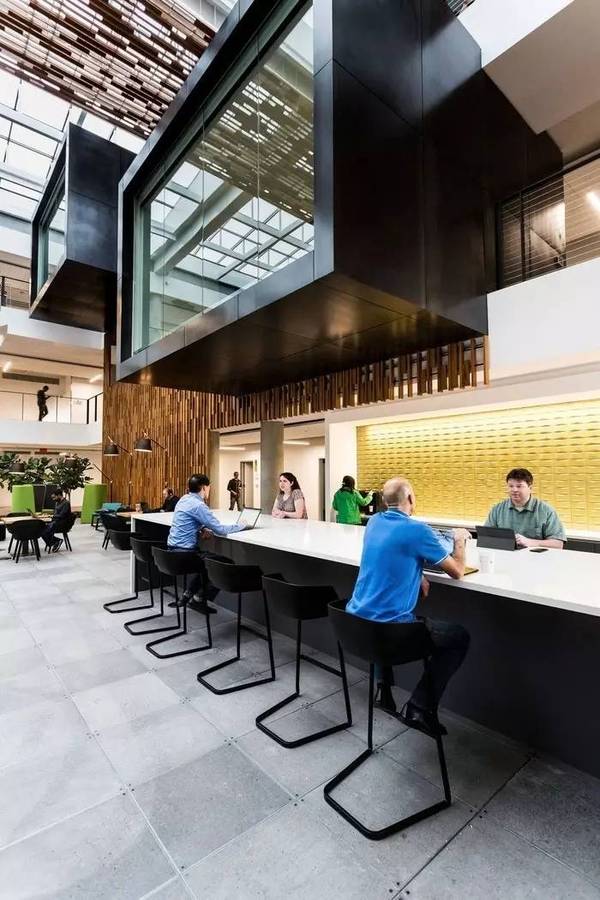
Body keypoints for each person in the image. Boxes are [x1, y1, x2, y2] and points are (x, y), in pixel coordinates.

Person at [346, 476, 471, 738]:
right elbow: (457, 571)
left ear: (384, 501)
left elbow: (390, 555)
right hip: (391, 632)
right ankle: (419, 707)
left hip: (355, 624)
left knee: (378, 610)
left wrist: (418, 573)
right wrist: (460, 539)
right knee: (459, 637)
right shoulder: (418, 531)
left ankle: (383, 691)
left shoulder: (374, 522)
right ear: (411, 499)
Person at [167, 474, 248, 614]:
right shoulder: (199, 505)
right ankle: (198, 599)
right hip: (185, 555)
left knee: (207, 564)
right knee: (223, 564)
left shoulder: (183, 499)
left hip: (171, 551)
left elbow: (187, 520)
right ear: (204, 488)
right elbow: (220, 530)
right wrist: (242, 525)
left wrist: (202, 528)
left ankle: (187, 596)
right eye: (209, 487)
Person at [485, 468, 565, 549]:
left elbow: (558, 544)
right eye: (511, 486)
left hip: (535, 556)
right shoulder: (497, 509)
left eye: (519, 486)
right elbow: (485, 537)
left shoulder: (546, 510)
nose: (514, 490)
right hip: (505, 554)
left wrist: (530, 542)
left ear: (530, 488)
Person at [41, 488, 71, 552]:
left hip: (62, 524)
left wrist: (51, 516)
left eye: (54, 497)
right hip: (56, 522)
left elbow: (62, 515)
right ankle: (56, 541)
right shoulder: (58, 503)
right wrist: (48, 515)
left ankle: (55, 542)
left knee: (44, 531)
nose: (53, 499)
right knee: (41, 529)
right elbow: (56, 514)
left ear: (59, 495)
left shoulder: (66, 503)